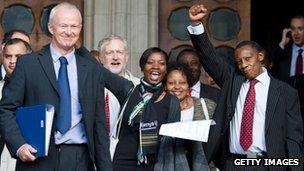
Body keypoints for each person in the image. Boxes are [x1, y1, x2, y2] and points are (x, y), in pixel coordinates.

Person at [0, 2, 133, 171]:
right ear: (50, 27)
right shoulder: (28, 64)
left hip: (80, 159)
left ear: (80, 28)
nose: (69, 31)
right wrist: (19, 145)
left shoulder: (92, 69)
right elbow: (6, 110)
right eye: (63, 25)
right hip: (37, 158)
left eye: (74, 26)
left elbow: (99, 126)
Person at [188, 4, 303, 170]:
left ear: (260, 56)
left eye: (248, 59)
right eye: (239, 62)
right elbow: (210, 58)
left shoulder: (286, 92)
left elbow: (293, 139)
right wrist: (197, 25)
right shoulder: (233, 81)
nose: (244, 65)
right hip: (233, 163)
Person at [113, 47, 181, 171]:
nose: (156, 66)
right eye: (150, 62)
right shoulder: (128, 90)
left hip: (155, 165)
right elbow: (99, 71)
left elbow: (173, 140)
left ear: (166, 70)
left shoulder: (172, 102)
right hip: (123, 162)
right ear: (142, 66)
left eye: (161, 63)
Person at [98, 35, 141, 135]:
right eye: (110, 53)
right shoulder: (92, 87)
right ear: (101, 58)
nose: (115, 57)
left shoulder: (139, 86)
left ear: (126, 57)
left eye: (120, 52)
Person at [0, 38, 32, 171]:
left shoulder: (37, 87)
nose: (12, 61)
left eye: (18, 57)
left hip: (27, 156)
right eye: (8, 56)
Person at [272, 15, 304, 133]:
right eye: (293, 28)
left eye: (300, 29)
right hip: (287, 104)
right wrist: (282, 44)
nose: (296, 33)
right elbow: (269, 66)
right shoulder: (284, 51)